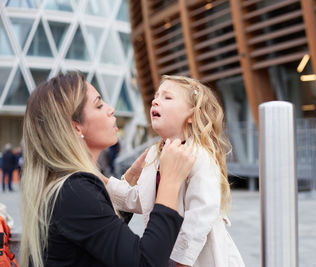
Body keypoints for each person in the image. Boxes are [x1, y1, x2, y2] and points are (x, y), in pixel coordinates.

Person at [20, 72, 195, 267]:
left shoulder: (66, 186)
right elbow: (146, 262)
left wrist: (125, 186)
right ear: (76, 127)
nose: (111, 110)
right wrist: (170, 182)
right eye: (99, 105)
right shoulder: (73, 192)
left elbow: (105, 239)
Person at [106, 75, 245, 267]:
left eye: (167, 97)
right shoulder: (155, 153)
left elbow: (202, 213)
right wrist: (101, 181)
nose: (155, 100)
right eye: (156, 96)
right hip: (166, 253)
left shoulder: (199, 155)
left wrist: (182, 262)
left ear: (191, 114)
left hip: (199, 260)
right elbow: (140, 199)